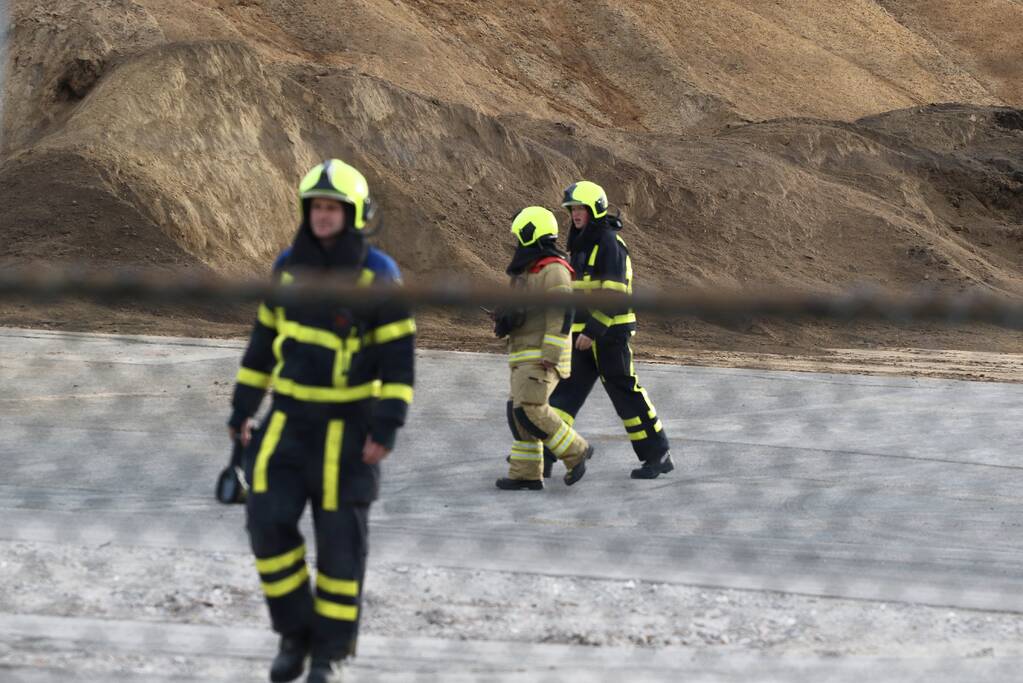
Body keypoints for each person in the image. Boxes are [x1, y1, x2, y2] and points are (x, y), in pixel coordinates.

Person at [227, 159, 415, 682]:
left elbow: (399, 359)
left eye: (333, 207)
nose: (324, 216)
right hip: (286, 423)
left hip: (350, 430)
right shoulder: (287, 267)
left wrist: (387, 426)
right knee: (266, 525)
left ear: (353, 214)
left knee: (340, 551)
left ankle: (327, 657)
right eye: (317, 207)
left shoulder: (380, 275)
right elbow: (263, 342)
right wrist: (242, 409)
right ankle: (294, 634)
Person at [545, 180, 674, 479]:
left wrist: (592, 331)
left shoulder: (609, 244)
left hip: (609, 336)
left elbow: (614, 293)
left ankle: (658, 454)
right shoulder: (579, 245)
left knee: (625, 395)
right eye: (572, 209)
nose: (575, 214)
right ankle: (548, 453)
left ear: (595, 210)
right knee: (564, 396)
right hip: (583, 337)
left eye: (580, 209)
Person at [495, 206, 594, 490]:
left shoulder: (553, 269)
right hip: (523, 353)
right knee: (518, 414)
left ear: (531, 233)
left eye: (520, 235)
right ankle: (526, 474)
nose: (517, 243)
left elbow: (561, 315)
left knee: (532, 409)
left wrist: (550, 354)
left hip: (541, 355)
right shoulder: (529, 271)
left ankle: (576, 451)